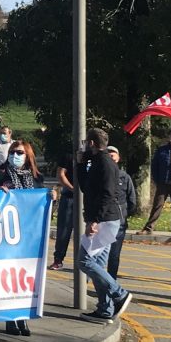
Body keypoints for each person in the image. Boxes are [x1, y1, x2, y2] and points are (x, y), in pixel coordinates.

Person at [76, 128, 133, 324]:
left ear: (92, 143)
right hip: (103, 219)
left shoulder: (106, 163)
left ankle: (119, 294)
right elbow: (85, 187)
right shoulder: (97, 162)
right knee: (98, 264)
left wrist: (95, 221)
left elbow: (108, 195)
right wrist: (81, 164)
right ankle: (105, 308)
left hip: (106, 221)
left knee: (85, 261)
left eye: (86, 142)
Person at [0, 139, 43, 337]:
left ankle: (23, 317)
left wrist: (51, 197)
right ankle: (9, 319)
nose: (16, 156)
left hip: (29, 236)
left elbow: (40, 202)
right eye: (13, 152)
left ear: (27, 155)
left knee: (25, 279)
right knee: (6, 278)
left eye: (20, 152)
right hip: (6, 235)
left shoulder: (36, 178)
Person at [138, 130, 171, 237]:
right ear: (169, 138)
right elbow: (154, 166)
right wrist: (157, 180)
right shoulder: (161, 151)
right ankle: (149, 228)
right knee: (157, 205)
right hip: (163, 183)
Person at [106, 146, 137, 280]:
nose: (111, 156)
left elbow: (132, 200)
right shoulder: (100, 174)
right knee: (96, 255)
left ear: (118, 158)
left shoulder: (124, 177)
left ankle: (111, 282)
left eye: (113, 154)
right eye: (108, 154)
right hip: (103, 221)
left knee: (114, 255)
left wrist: (124, 213)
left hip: (119, 222)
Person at [48, 153, 76, 271]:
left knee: (86, 234)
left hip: (88, 199)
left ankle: (85, 263)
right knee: (63, 231)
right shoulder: (69, 156)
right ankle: (58, 260)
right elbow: (61, 174)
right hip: (69, 197)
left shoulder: (92, 156)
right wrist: (73, 189)